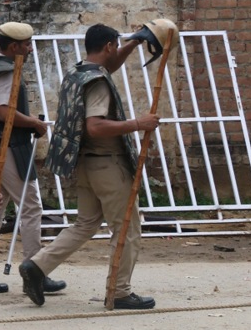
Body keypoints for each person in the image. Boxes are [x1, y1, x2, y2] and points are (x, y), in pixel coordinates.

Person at [20, 23, 162, 310]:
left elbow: (110, 67)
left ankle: (36, 266)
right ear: (109, 46)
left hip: (83, 163)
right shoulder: (97, 82)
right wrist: (138, 124)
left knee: (85, 224)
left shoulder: (78, 72)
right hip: (107, 166)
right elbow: (95, 126)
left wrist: (133, 43)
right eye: (117, 45)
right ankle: (119, 292)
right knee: (126, 230)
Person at [0, 22, 66, 295]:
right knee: (32, 206)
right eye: (26, 45)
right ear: (13, 47)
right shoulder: (8, 71)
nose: (30, 48)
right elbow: (3, 112)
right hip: (6, 149)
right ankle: (36, 271)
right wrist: (34, 122)